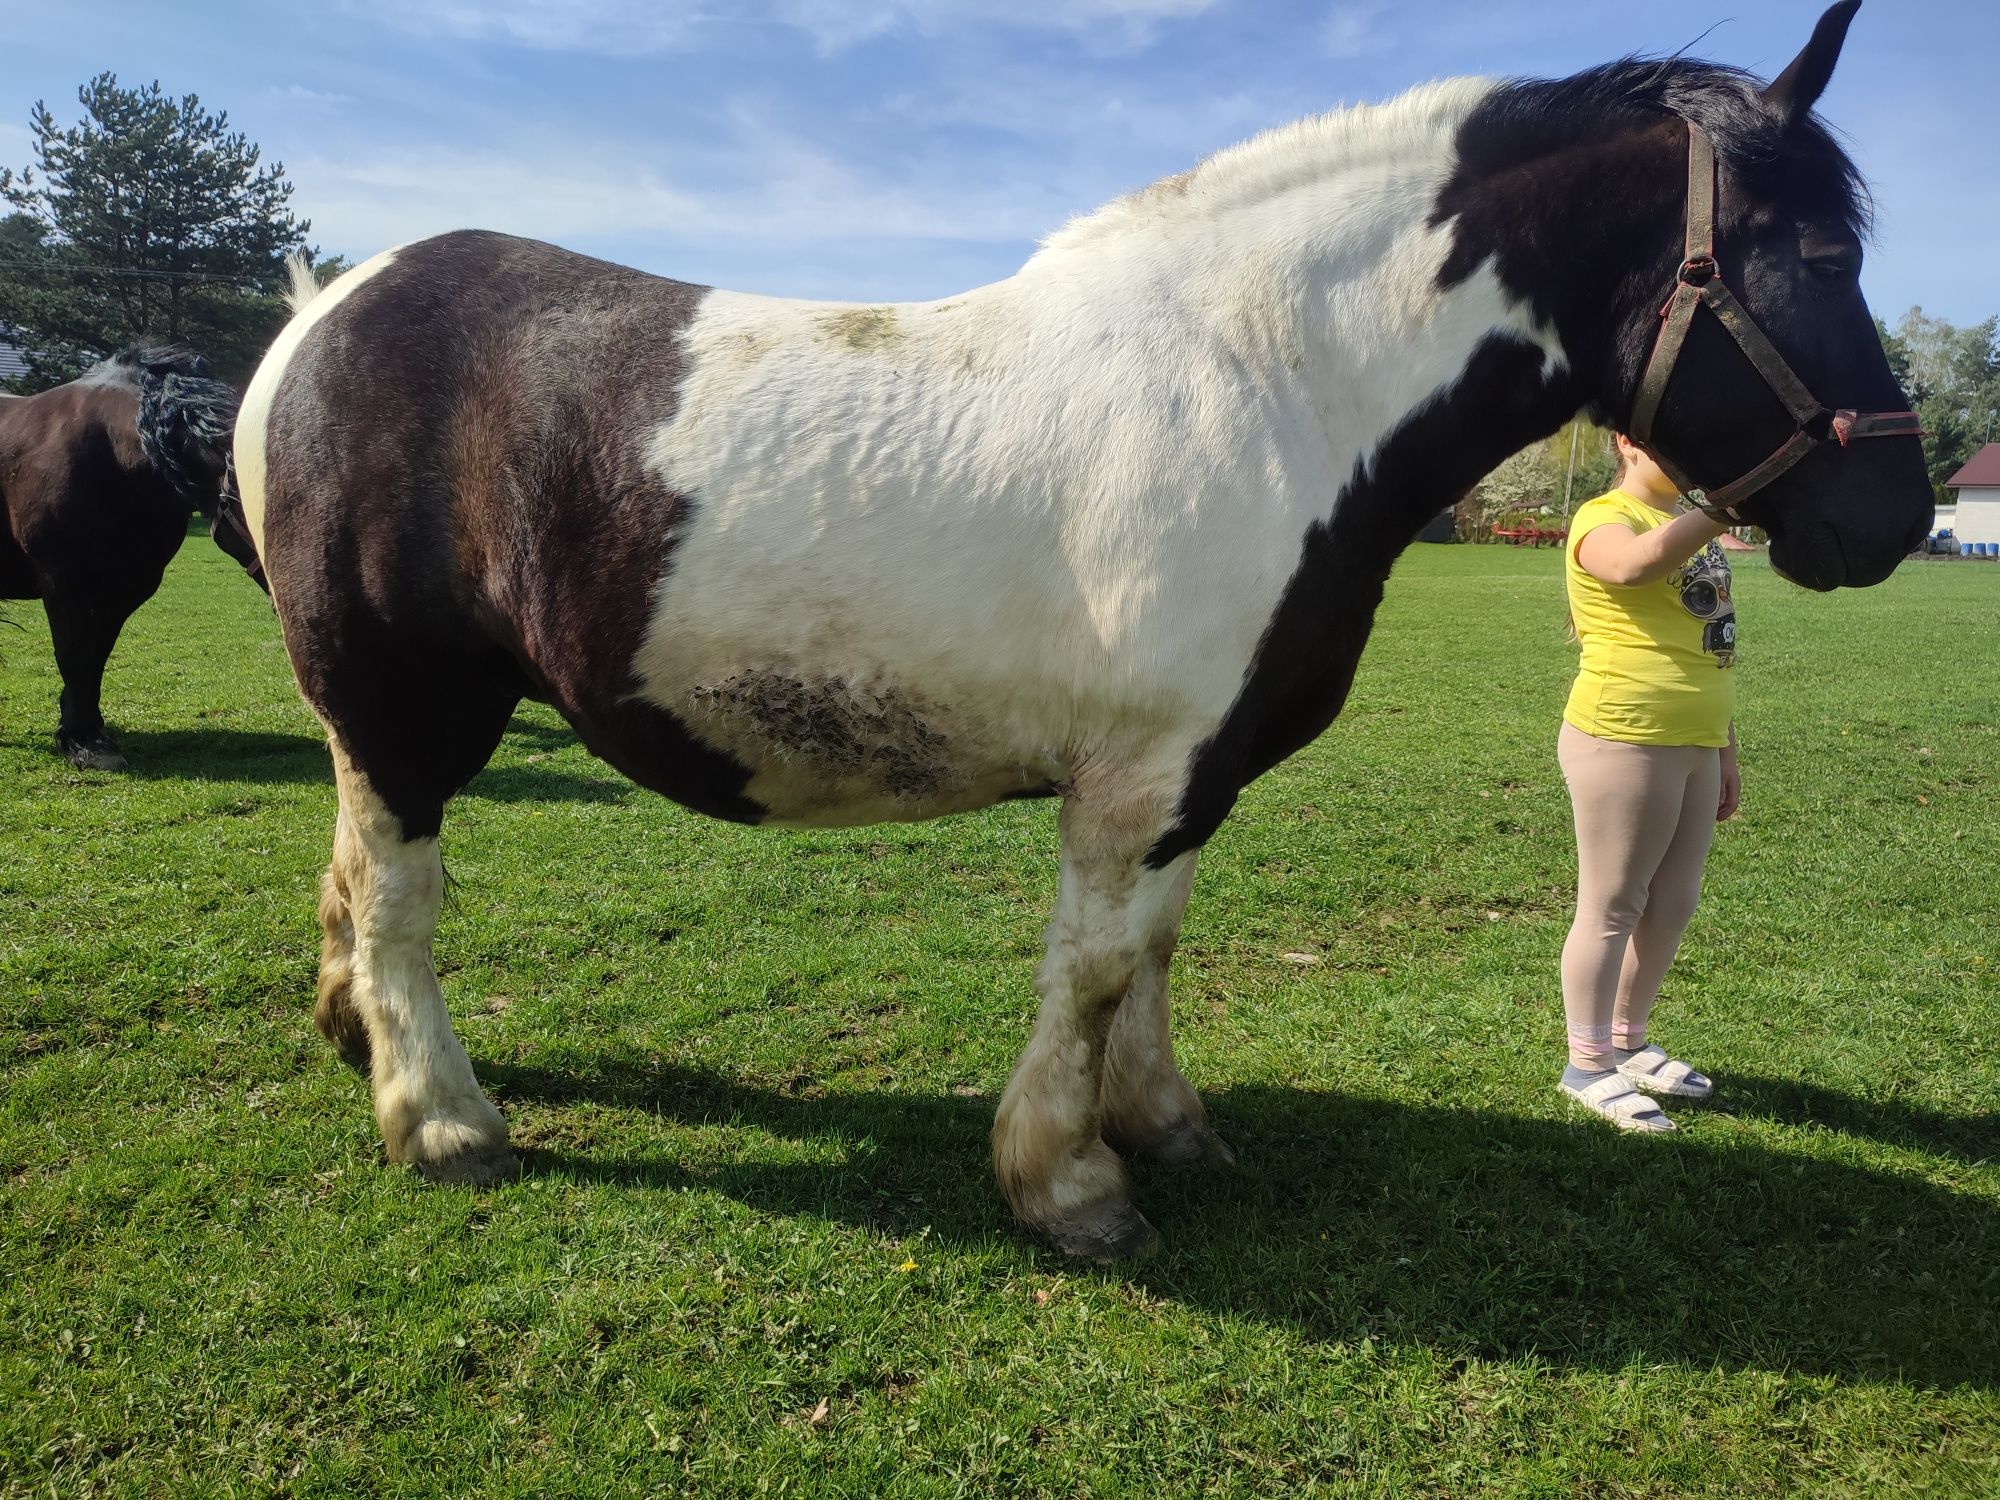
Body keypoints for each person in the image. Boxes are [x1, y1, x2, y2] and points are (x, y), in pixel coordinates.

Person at [1557, 433, 1740, 1132]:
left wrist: (1726, 748)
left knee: (1674, 900)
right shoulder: (1605, 516)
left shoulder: (1686, 528)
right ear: (1626, 443)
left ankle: (1628, 1041)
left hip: (1696, 735)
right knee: (1612, 906)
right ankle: (1587, 1063)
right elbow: (1630, 569)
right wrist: (1722, 512)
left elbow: (1714, 643)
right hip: (1625, 732)